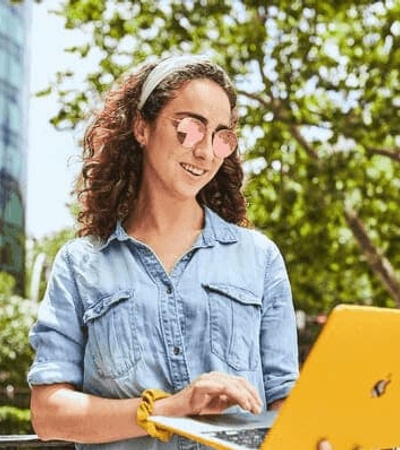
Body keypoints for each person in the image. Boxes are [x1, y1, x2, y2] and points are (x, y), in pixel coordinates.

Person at [28, 54, 299, 450]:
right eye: (189, 128)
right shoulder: (80, 264)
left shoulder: (260, 259)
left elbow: (284, 400)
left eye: (221, 135)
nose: (205, 152)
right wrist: (169, 408)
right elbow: (49, 414)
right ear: (142, 127)